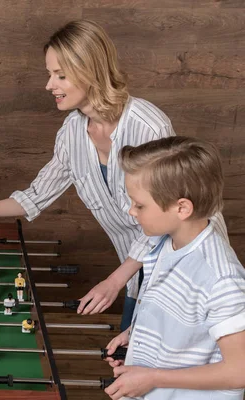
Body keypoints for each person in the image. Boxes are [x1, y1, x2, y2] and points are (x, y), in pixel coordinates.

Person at [0, 19, 180, 329]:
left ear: (89, 71)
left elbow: (168, 219)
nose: (50, 85)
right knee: (131, 363)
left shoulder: (150, 127)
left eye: (60, 75)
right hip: (136, 274)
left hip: (181, 268)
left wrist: (113, 281)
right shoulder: (71, 134)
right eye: (50, 74)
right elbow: (35, 197)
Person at [103, 137, 245, 400]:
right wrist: (135, 337)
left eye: (140, 205)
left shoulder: (220, 279)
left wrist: (153, 377)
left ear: (181, 208)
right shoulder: (162, 242)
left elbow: (239, 371)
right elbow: (172, 312)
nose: (131, 211)